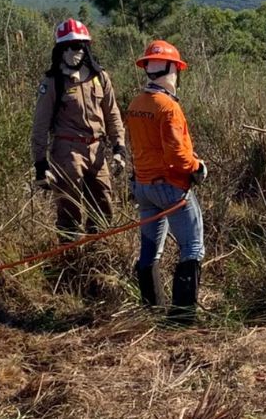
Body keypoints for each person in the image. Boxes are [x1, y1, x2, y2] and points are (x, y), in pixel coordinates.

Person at [125, 40, 207, 325]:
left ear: (148, 68)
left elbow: (136, 146)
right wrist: (198, 167)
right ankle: (183, 318)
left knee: (150, 249)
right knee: (193, 248)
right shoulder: (168, 108)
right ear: (173, 69)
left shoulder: (137, 103)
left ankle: (151, 309)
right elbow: (177, 156)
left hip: (144, 188)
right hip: (171, 187)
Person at [31, 18, 126, 242]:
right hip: (67, 150)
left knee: (103, 205)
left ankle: (98, 258)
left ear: (86, 48)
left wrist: (119, 147)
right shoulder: (53, 81)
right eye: (68, 47)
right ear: (60, 50)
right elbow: (40, 124)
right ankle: (69, 259)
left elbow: (112, 114)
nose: (73, 52)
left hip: (97, 149)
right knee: (69, 208)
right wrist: (40, 163)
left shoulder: (100, 77)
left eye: (78, 46)